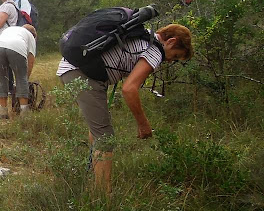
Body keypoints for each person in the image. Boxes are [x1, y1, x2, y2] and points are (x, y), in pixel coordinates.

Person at [57, 23, 193, 192]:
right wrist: (143, 124)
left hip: (72, 70)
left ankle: (93, 175)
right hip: (80, 74)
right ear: (171, 41)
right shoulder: (155, 51)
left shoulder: (143, 36)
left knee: (99, 127)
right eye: (175, 56)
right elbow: (129, 89)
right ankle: (102, 199)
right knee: (105, 138)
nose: (170, 60)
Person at [0, 24, 37, 119]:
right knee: (21, 78)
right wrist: (25, 79)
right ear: (33, 34)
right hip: (17, 46)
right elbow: (31, 61)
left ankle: (3, 112)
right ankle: (24, 112)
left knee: (1, 78)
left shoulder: (10, 29)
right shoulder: (30, 36)